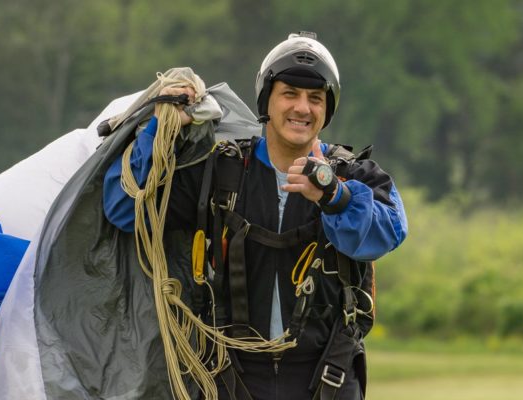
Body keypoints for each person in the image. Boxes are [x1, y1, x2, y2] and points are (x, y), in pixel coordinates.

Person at [103, 32, 408, 399]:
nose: (302, 108)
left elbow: (389, 232)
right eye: (289, 94)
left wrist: (336, 198)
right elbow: (126, 208)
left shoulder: (354, 176)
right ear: (267, 100)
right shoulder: (221, 173)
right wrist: (161, 125)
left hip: (327, 377)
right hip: (230, 377)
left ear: (328, 109)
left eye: (315, 98)